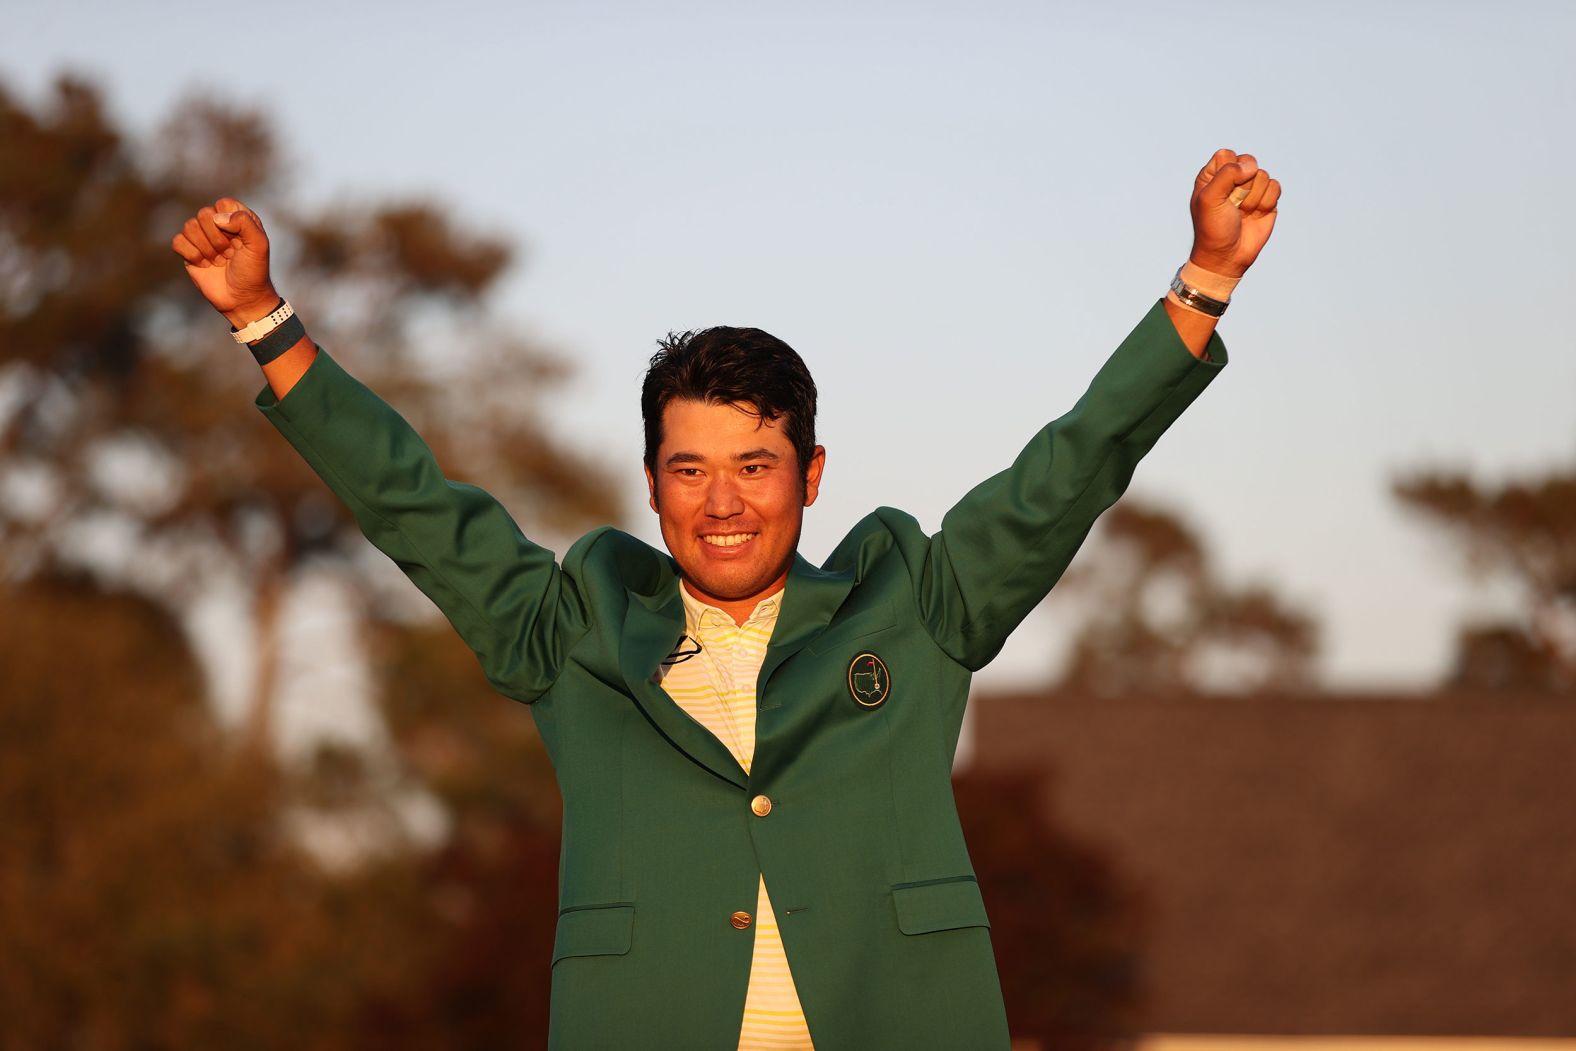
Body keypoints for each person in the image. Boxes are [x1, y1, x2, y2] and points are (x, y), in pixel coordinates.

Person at [171, 148, 1280, 1050]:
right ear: (651, 483)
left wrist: (1203, 281)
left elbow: (1071, 469)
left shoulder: (912, 601)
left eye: (756, 464)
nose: (723, 502)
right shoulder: (574, 628)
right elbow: (414, 505)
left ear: (811, 474)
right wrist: (265, 317)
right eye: (690, 468)